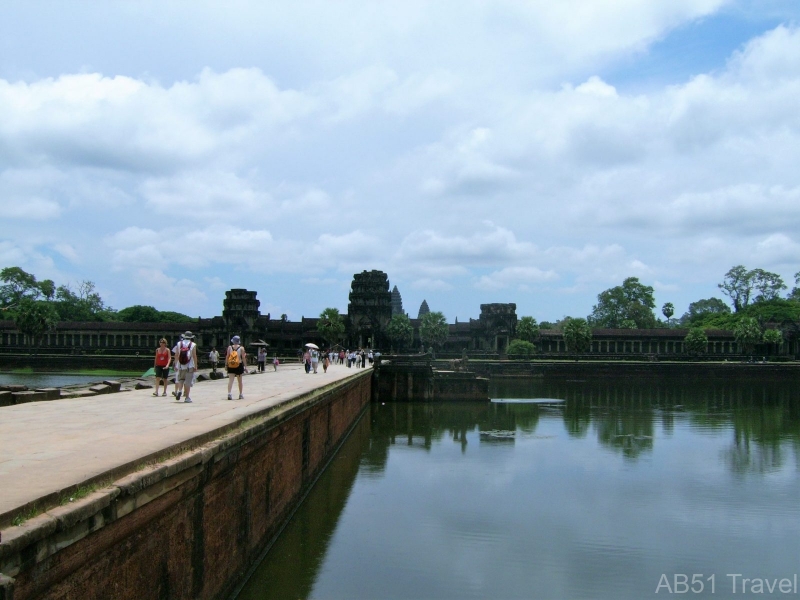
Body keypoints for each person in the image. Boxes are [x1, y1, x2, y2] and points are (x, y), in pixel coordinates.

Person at [173, 331, 198, 403]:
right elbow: (194, 356)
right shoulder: (193, 344)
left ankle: (180, 391)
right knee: (188, 382)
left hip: (180, 365)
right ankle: (187, 397)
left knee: (181, 379)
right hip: (189, 365)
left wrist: (175, 364)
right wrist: (195, 366)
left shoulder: (179, 343)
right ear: (191, 337)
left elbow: (176, 355)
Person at [226, 335, 246, 400]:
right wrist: (245, 366)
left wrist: (226, 365)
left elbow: (227, 356)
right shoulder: (241, 348)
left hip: (231, 365)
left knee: (230, 380)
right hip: (239, 365)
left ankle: (229, 393)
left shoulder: (229, 347)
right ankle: (240, 394)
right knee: (240, 381)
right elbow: (243, 357)